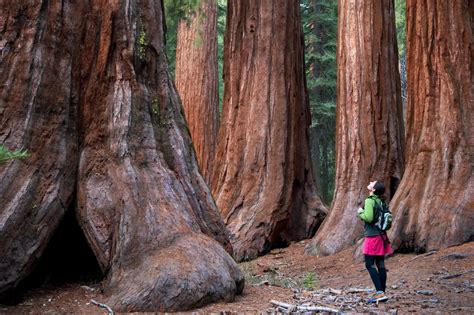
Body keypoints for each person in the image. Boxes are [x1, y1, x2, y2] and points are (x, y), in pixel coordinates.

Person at [357, 180, 392, 303]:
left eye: (373, 182)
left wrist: (360, 213)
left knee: (369, 264)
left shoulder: (370, 201)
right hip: (382, 236)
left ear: (374, 189)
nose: (371, 182)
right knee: (380, 265)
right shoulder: (381, 201)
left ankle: (380, 292)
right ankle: (382, 292)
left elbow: (369, 218)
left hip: (372, 238)